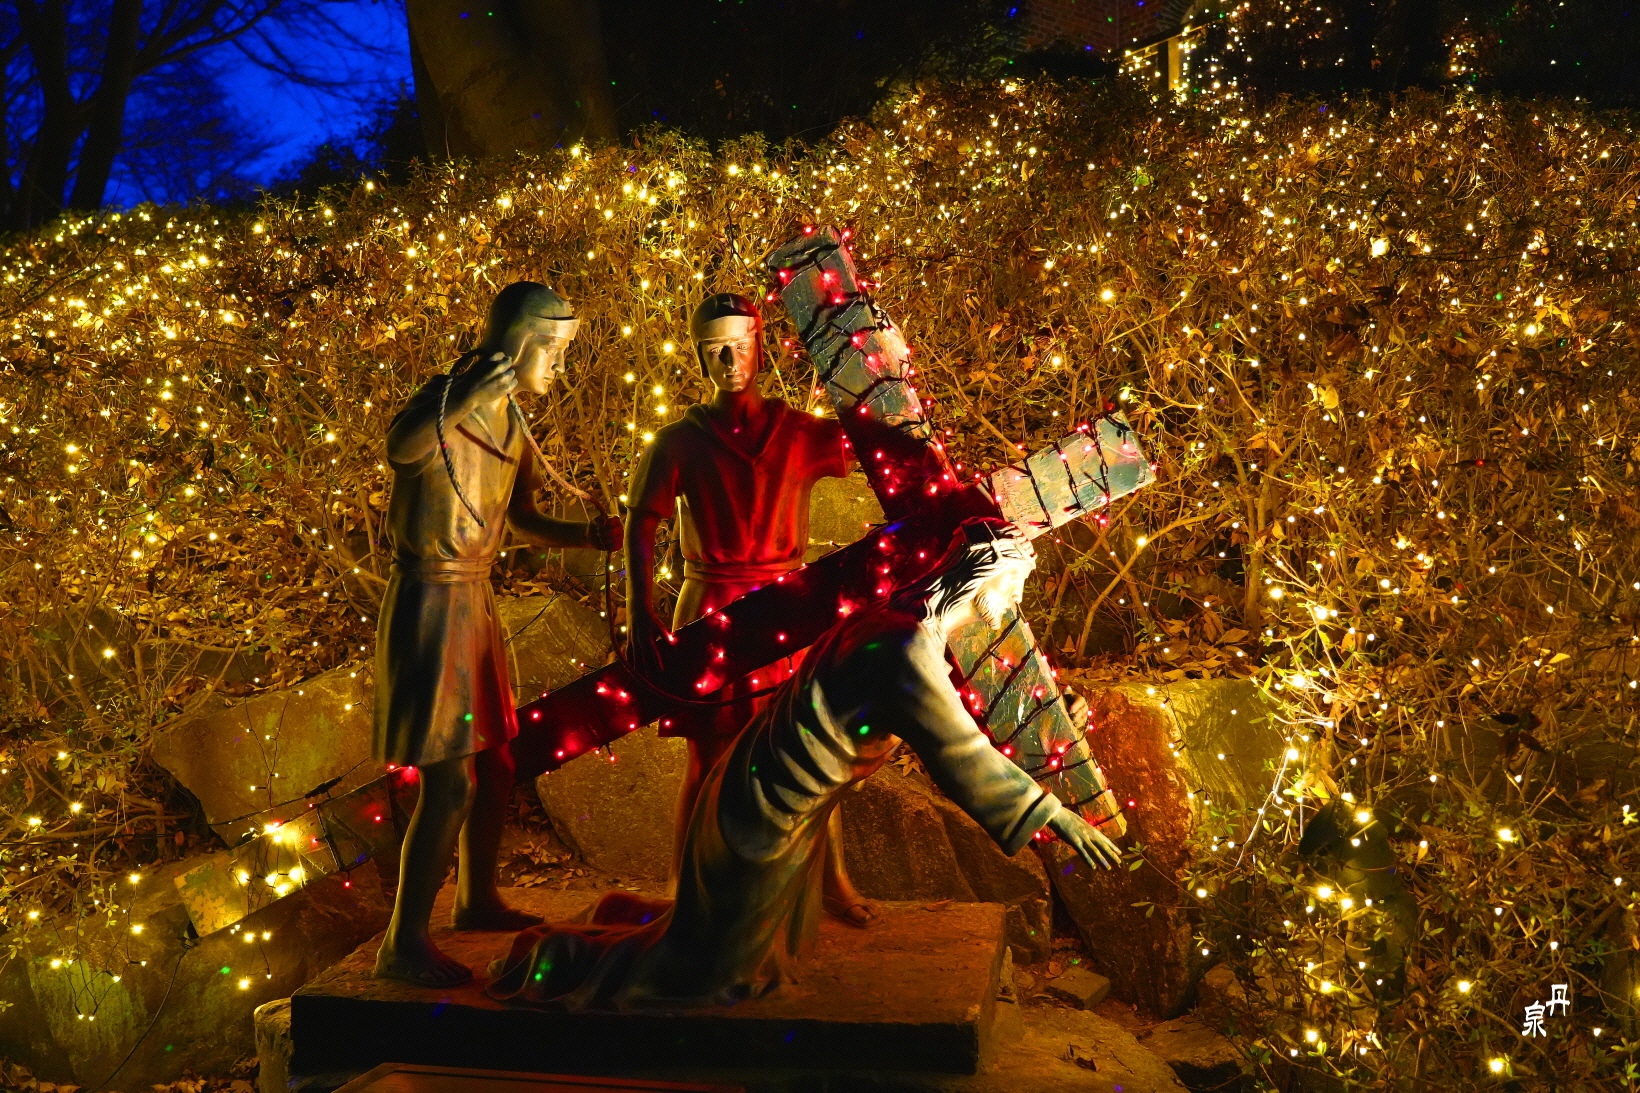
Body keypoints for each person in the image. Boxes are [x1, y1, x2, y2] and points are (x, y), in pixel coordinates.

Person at [488, 518, 1122, 1010]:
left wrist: (1049, 730)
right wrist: (1053, 816)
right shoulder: (903, 650)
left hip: (769, 807)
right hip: (762, 816)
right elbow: (960, 752)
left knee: (740, 962)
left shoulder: (899, 628)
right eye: (1013, 588)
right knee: (702, 979)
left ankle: (613, 923)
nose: (1013, 604)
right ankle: (550, 958)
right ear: (982, 584)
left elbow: (945, 716)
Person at [373, 282, 622, 986]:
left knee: (499, 763)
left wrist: (584, 535)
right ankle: (402, 943)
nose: (560, 368)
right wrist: (463, 397)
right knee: (450, 781)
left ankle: (475, 898)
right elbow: (401, 448)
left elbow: (521, 517)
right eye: (555, 351)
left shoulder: (513, 421)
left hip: (474, 598)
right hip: (431, 600)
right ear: (519, 343)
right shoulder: (447, 397)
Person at [624, 292, 874, 926]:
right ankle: (684, 885)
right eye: (714, 349)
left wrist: (861, 355)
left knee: (814, 748)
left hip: (789, 606)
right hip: (710, 604)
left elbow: (876, 437)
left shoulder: (802, 433)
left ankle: (831, 881)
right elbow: (642, 520)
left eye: (740, 345)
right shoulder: (679, 441)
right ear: (697, 355)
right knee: (710, 753)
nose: (729, 360)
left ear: (760, 346)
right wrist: (639, 610)